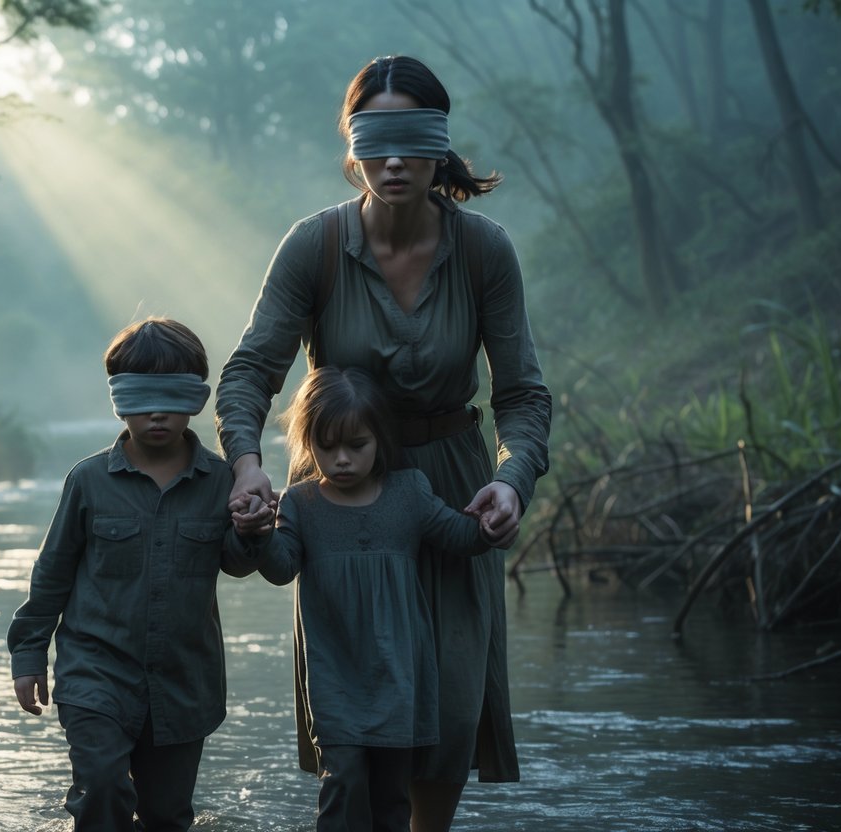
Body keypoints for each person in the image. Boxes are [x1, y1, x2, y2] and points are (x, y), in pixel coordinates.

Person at [215, 55, 552, 830]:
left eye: (411, 139)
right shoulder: (315, 247)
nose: (393, 159)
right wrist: (246, 466)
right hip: (339, 496)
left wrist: (513, 480)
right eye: (375, 138)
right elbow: (249, 372)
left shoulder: (482, 251)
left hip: (452, 491)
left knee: (449, 705)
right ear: (351, 145)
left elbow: (522, 393)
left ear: (439, 148)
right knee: (354, 711)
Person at [8, 317, 269, 831]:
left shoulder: (220, 481)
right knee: (102, 789)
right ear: (117, 400)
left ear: (196, 400)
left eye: (171, 397)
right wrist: (29, 652)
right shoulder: (88, 482)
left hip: (182, 681)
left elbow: (237, 565)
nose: (155, 412)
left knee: (165, 815)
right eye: (140, 397)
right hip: (96, 674)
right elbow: (53, 572)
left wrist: (251, 529)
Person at [236, 366, 486, 830]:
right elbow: (280, 568)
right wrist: (258, 533)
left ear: (381, 439)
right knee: (343, 784)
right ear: (308, 445)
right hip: (334, 678)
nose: (342, 460)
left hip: (398, 677)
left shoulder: (409, 493)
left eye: (357, 445)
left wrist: (493, 519)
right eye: (327, 448)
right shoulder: (301, 504)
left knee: (392, 798)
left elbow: (460, 534)